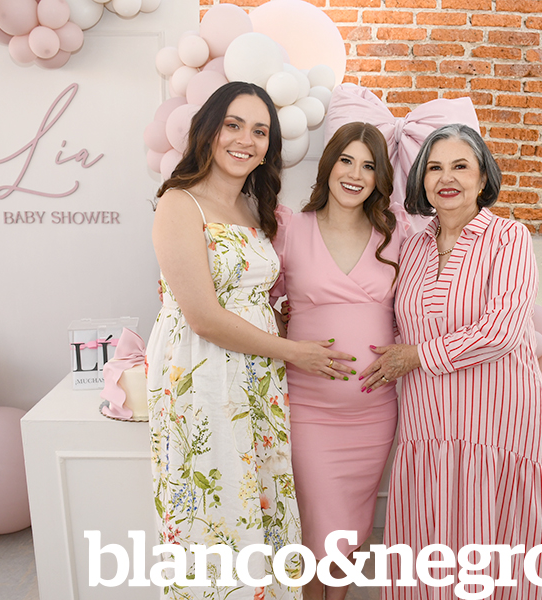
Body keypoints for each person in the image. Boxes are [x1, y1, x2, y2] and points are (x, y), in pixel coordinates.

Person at [147, 81, 355, 600]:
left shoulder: (251, 205)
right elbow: (203, 317)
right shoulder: (179, 203)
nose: (246, 139)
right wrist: (296, 353)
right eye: (233, 125)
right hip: (205, 375)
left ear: (268, 147)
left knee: (258, 498)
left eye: (260, 131)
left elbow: (256, 294)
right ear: (208, 131)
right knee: (217, 505)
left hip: (256, 377)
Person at [359, 124, 542, 600]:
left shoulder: (509, 238)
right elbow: (397, 320)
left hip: (495, 421)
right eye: (434, 167)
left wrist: (416, 356)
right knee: (429, 531)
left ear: (483, 178)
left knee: (492, 538)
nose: (445, 178)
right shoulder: (412, 246)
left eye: (460, 166)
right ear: (422, 181)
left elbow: (501, 331)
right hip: (428, 421)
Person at [270, 122, 408, 600]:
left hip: (374, 414)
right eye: (346, 161)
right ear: (328, 165)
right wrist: (290, 340)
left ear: (379, 178)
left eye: (368, 166)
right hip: (309, 411)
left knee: (350, 529)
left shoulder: (395, 233)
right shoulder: (290, 228)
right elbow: (261, 301)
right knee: (317, 530)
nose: (355, 174)